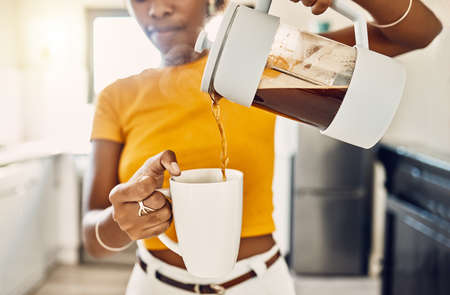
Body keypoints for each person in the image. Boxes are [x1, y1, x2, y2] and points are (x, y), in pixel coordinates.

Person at [82, 0, 442, 294]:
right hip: (154, 285)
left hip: (259, 284)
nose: (157, 9)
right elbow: (92, 239)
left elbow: (421, 33)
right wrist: (120, 220)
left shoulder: (260, 63)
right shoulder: (118, 96)